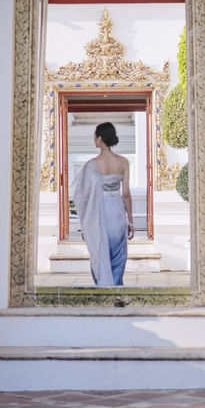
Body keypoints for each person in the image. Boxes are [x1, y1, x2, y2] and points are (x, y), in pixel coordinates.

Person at [71, 121, 134, 286]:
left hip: (99, 211)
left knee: (99, 251)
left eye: (95, 136)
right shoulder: (124, 162)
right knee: (118, 253)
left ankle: (103, 288)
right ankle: (117, 287)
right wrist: (131, 220)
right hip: (117, 211)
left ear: (99, 139)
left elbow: (82, 195)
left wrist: (85, 223)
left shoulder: (92, 165)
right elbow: (126, 193)